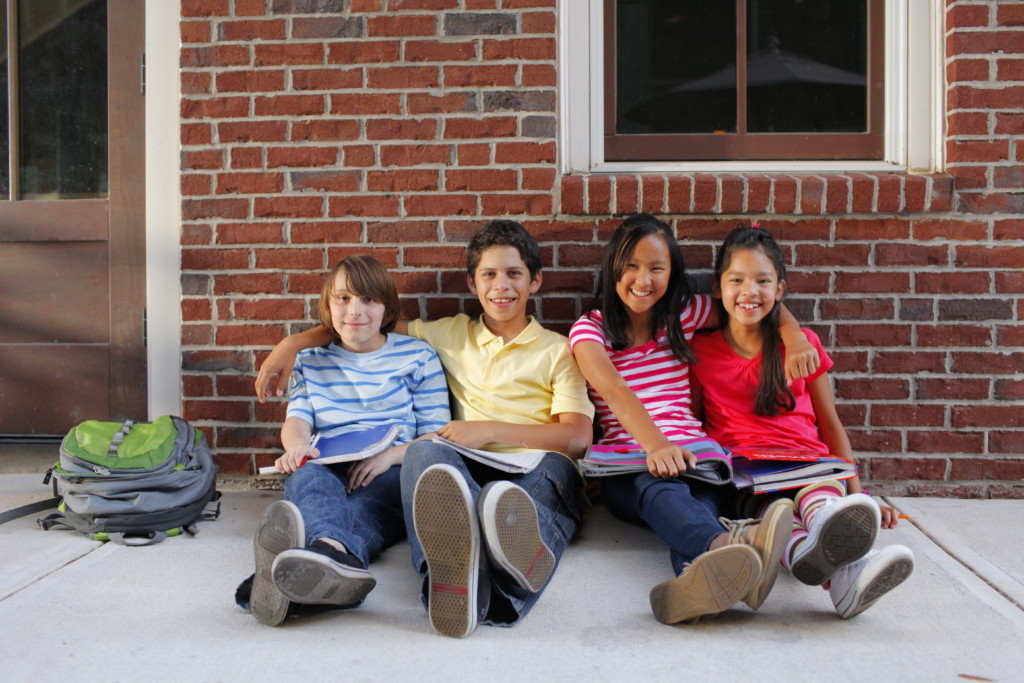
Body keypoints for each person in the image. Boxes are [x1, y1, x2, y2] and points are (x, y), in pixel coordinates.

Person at [255, 220, 595, 638]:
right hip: (471, 468)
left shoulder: (558, 349)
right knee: (426, 455)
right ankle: (442, 567)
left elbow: (577, 439)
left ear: (535, 280)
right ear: (472, 283)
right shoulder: (450, 333)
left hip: (539, 467)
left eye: (513, 274)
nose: (501, 286)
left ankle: (498, 567)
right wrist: (293, 343)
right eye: (489, 274)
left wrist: (486, 430)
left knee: (516, 500)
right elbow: (363, 325)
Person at [569, 213, 819, 624]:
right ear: (612, 265)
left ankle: (691, 585)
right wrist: (656, 445)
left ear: (673, 273)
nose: (642, 279)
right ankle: (733, 544)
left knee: (697, 506)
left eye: (656, 268)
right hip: (632, 462)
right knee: (661, 490)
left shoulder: (685, 317)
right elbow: (614, 389)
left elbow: (753, 307)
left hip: (700, 458)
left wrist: (792, 336)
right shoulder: (591, 330)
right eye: (631, 265)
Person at [690, 224, 915, 619]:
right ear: (717, 287)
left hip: (811, 466)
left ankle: (836, 549)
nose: (749, 291)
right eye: (737, 280)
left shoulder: (803, 346)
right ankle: (845, 574)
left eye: (763, 281)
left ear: (780, 290)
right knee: (778, 518)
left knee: (821, 502)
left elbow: (830, 424)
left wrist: (859, 495)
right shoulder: (701, 351)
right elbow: (691, 422)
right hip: (750, 477)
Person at [243, 254, 451, 627]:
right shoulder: (309, 359)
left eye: (368, 300)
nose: (355, 311)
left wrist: (391, 457)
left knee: (371, 504)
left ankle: (300, 563)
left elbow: (436, 433)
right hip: (327, 460)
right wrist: (297, 447)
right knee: (307, 480)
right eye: (343, 299)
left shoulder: (417, 356)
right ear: (328, 306)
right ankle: (335, 557)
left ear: (387, 308)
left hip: (390, 468)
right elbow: (297, 420)